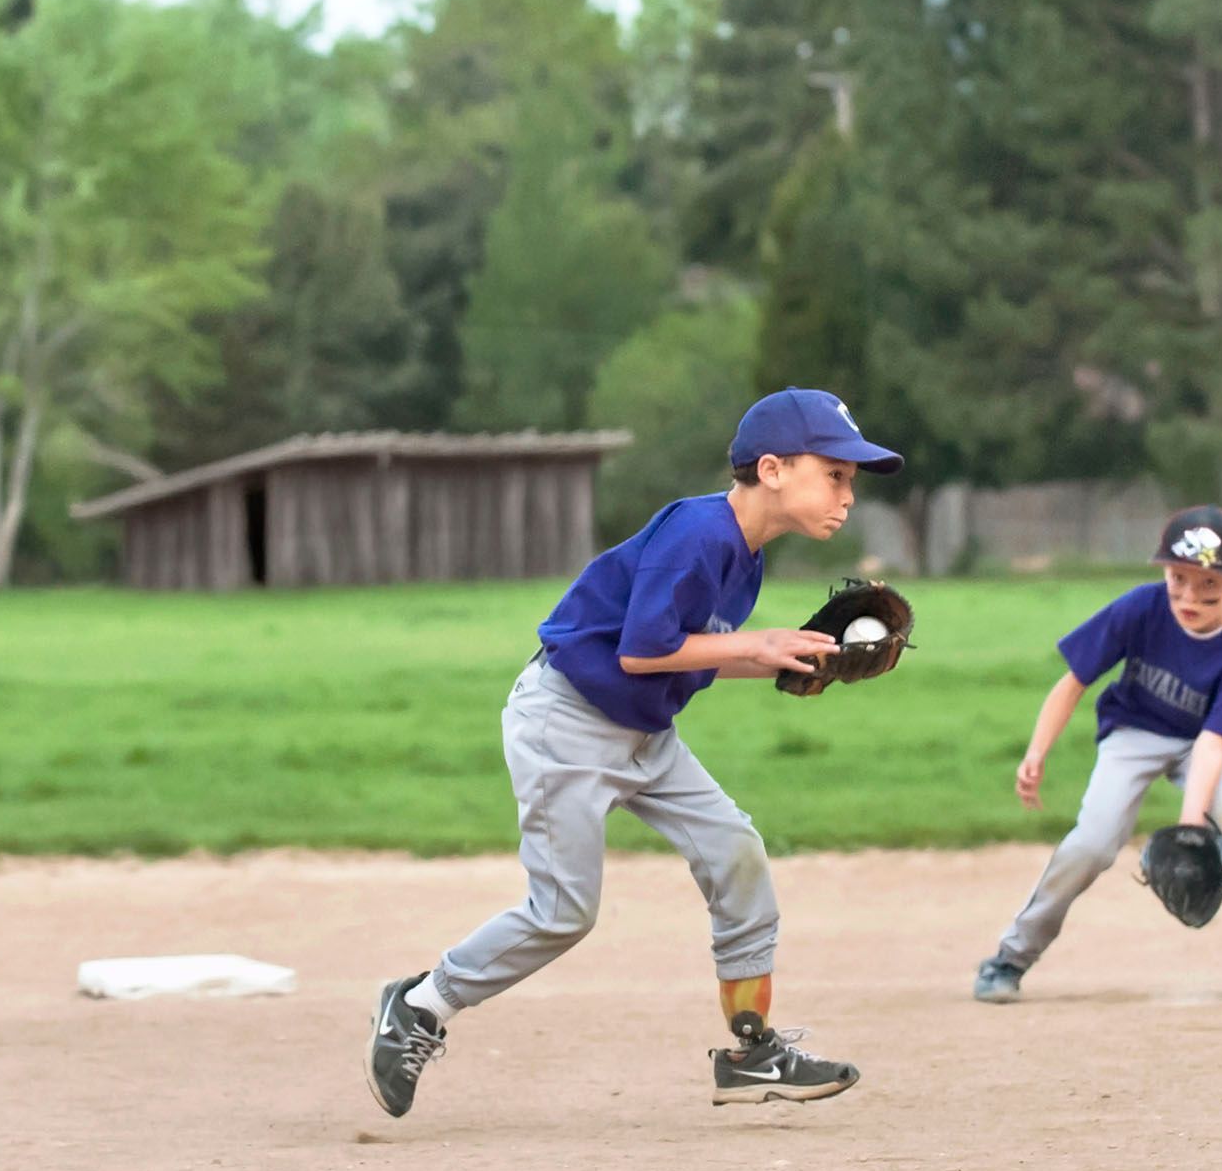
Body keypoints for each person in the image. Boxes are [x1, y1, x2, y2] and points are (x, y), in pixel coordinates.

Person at [364, 387, 902, 1118]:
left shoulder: (744, 561)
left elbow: (687, 656)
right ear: (772, 469)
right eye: (835, 473)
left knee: (735, 851)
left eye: (851, 480)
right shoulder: (699, 533)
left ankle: (752, 1052)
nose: (847, 494)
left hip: (646, 733)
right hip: (568, 727)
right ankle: (419, 1006)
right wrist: (757, 641)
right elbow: (643, 652)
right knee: (563, 912)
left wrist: (788, 661)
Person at [974, 505, 1222, 1002]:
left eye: (1209, 585)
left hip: (1203, 745)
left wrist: (1193, 822)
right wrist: (1036, 751)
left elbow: (1214, 741)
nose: (1190, 596)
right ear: (1163, 571)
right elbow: (1073, 683)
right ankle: (1010, 957)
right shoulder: (1141, 608)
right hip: (1134, 732)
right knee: (1092, 842)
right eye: (1179, 578)